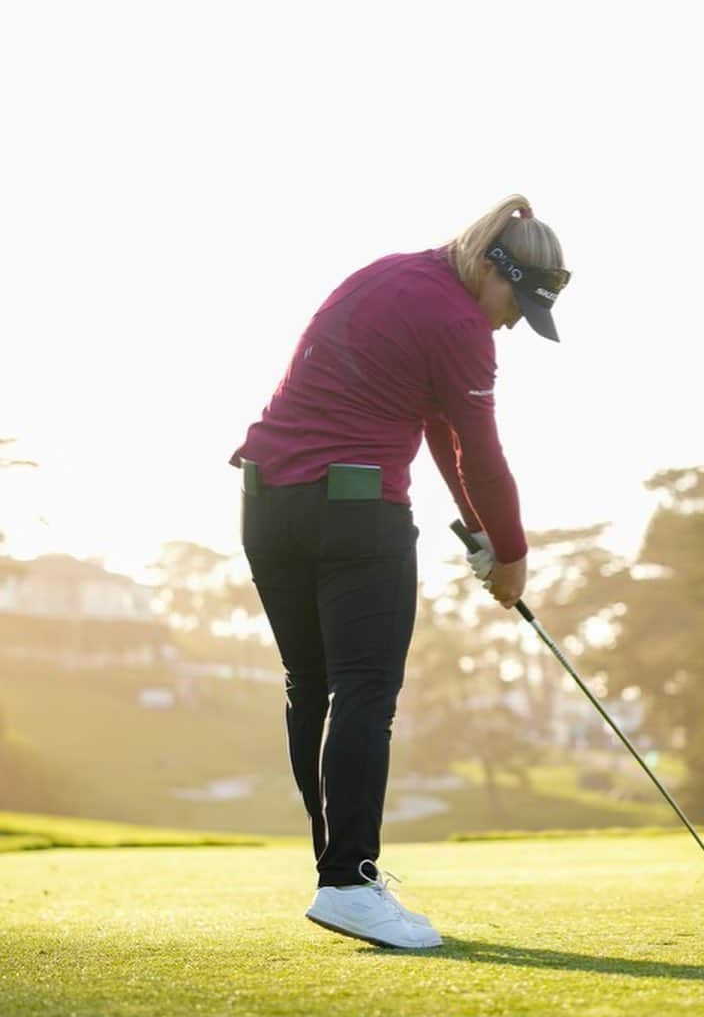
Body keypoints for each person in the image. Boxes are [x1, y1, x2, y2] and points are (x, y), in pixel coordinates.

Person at [229, 194, 570, 949]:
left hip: (266, 503)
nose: (511, 321)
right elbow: (479, 449)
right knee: (364, 689)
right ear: (493, 267)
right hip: (353, 514)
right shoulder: (459, 324)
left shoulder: (386, 275)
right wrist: (511, 557)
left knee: (310, 685)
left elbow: (440, 428)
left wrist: (482, 533)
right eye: (516, 301)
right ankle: (348, 880)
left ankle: (338, 876)